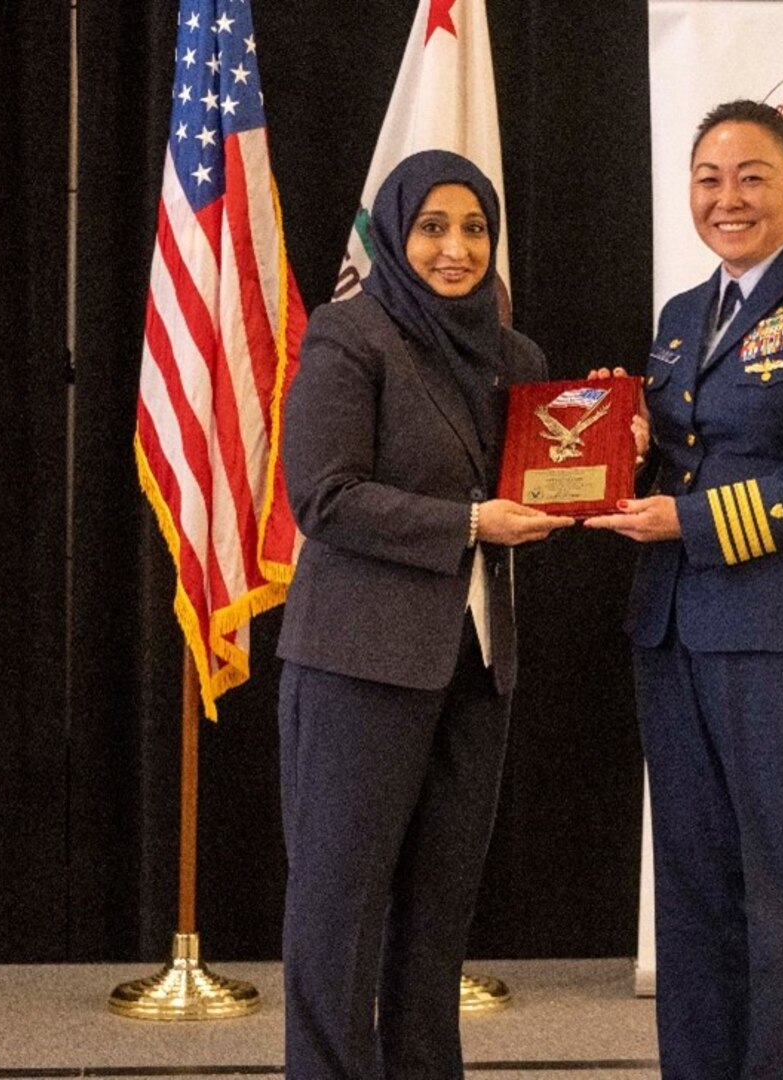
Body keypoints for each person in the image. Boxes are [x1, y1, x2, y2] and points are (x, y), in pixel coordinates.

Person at [584, 100, 783, 1079]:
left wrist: (688, 520)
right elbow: (678, 462)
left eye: (752, 176)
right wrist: (618, 448)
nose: (728, 198)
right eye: (709, 178)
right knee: (693, 891)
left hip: (780, 635)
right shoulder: (683, 317)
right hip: (673, 633)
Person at [276, 149, 574, 1080]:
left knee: (438, 914)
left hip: (477, 667)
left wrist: (619, 452)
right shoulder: (348, 336)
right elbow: (322, 498)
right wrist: (471, 521)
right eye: (433, 227)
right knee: (340, 912)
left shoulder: (516, 357)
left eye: (474, 228)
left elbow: (545, 487)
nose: (455, 248)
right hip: (358, 665)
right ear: (397, 236)